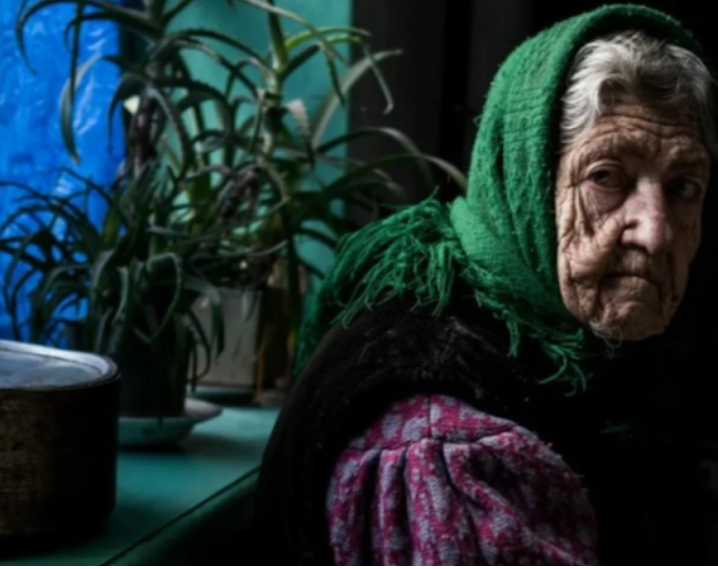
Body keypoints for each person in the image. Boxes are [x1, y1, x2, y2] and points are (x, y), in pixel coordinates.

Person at [256, 4, 718, 565]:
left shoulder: (594, 361)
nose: (657, 231)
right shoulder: (442, 441)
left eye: (683, 188)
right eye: (605, 177)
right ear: (525, 182)